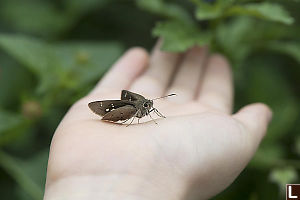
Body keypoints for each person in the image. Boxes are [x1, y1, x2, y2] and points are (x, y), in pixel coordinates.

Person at [43, 41, 272, 200]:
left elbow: (150, 110)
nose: (151, 107)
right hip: (115, 115)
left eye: (150, 106)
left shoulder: (146, 107)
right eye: (149, 106)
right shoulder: (137, 107)